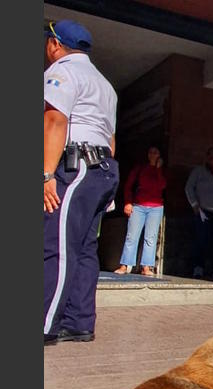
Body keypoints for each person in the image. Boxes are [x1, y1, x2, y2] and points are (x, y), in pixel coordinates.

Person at [43, 20, 119, 346]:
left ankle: (44, 324)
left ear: (55, 44)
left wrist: (46, 174)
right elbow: (111, 139)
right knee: (86, 249)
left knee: (56, 245)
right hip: (103, 169)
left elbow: (54, 120)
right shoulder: (105, 85)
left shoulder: (63, 71)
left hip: (77, 167)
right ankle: (78, 323)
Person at [114, 145, 166, 276]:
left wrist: (158, 169)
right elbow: (128, 185)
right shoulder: (140, 168)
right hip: (138, 205)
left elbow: (162, 185)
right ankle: (125, 265)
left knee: (151, 237)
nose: (152, 155)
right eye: (150, 152)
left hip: (156, 207)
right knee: (132, 236)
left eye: (155, 152)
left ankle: (146, 267)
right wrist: (128, 202)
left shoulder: (162, 169)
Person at [185, 146, 213, 280]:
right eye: (209, 154)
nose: (211, 157)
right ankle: (198, 268)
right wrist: (194, 204)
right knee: (201, 240)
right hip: (203, 211)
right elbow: (189, 187)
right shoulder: (199, 171)